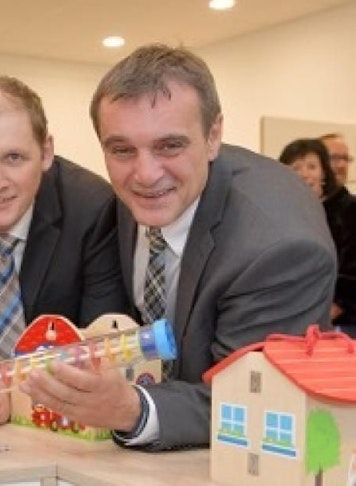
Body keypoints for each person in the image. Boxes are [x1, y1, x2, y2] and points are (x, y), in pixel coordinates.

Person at [20, 43, 336, 451]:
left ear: (213, 135)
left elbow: (253, 404)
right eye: (121, 150)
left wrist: (134, 410)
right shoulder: (125, 201)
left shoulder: (280, 247)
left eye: (170, 146)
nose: (146, 174)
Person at [0, 75, 129, 426]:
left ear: (46, 152)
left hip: (71, 424)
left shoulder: (94, 210)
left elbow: (97, 345)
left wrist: (17, 396)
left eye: (14, 158)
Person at [279, 138, 356, 336]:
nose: (305, 174)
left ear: (324, 172)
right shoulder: (282, 213)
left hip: (340, 322)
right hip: (292, 318)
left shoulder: (348, 210)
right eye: (296, 167)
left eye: (312, 167)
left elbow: (350, 277)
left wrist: (322, 318)